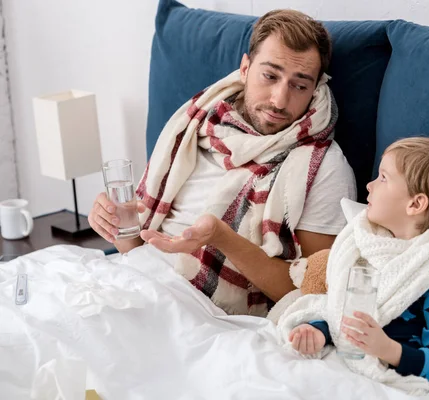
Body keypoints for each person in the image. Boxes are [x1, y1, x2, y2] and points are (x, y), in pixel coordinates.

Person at [87, 10, 356, 316]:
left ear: (316, 88)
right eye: (270, 76)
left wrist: (222, 238)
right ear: (245, 68)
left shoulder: (322, 166)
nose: (280, 100)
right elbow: (139, 252)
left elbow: (312, 292)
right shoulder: (196, 124)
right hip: (136, 283)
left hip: (200, 314)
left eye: (299, 85)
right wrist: (118, 227)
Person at [280, 137, 429, 390]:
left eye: (383, 178)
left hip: (382, 378)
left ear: (415, 204)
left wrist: (387, 349)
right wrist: (318, 332)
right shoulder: (366, 244)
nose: (369, 185)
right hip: (341, 359)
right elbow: (340, 314)